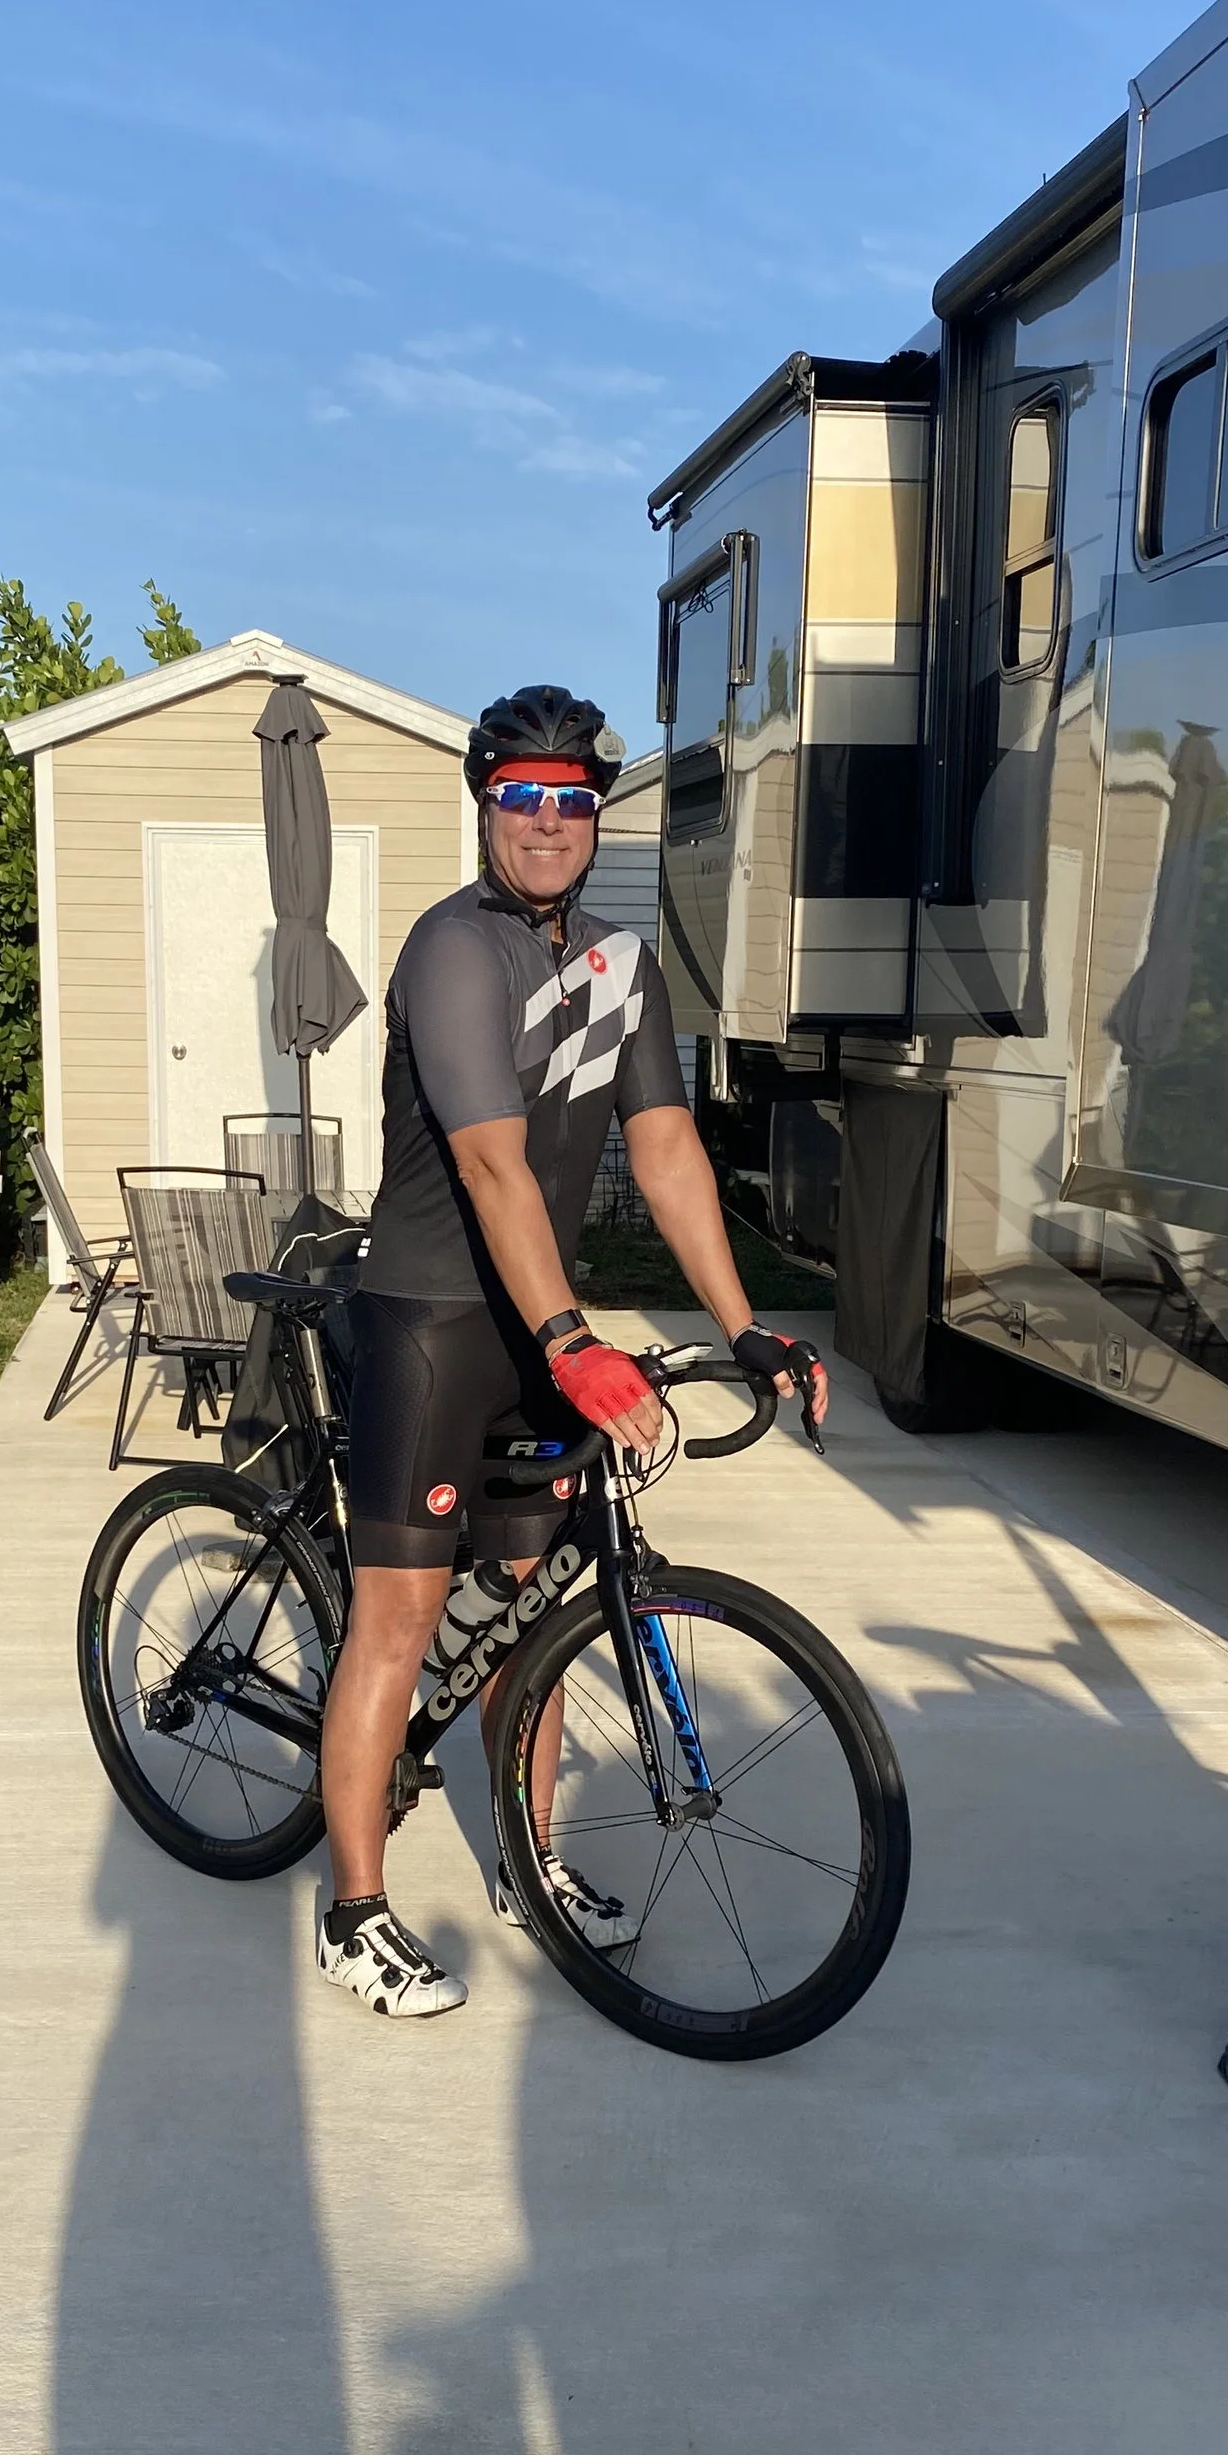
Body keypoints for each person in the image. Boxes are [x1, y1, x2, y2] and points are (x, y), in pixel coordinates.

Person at [314, 683, 828, 2019]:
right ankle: (353, 1910)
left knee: (527, 1614)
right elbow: (493, 1165)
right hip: (433, 1325)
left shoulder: (619, 963)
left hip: (536, 1336)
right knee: (401, 1620)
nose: (547, 822)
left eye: (573, 799)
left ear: (599, 815)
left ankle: (529, 1863)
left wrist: (744, 1324)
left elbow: (665, 1149)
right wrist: (571, 1340)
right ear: (486, 805)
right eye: (521, 796)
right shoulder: (452, 949)